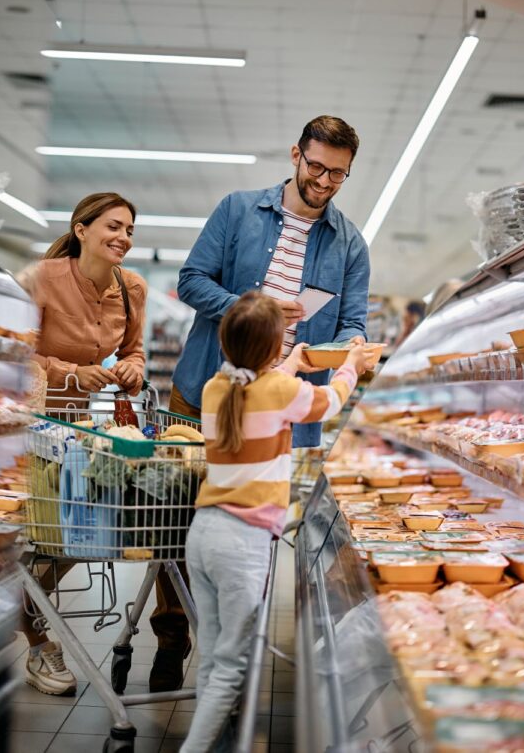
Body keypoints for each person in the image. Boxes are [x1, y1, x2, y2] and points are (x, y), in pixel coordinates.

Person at [155, 115, 371, 681]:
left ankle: (232, 654)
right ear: (295, 154)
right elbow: (193, 280)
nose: (324, 181)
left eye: (338, 175)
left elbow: (351, 323)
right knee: (176, 523)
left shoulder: (350, 243)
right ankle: (171, 635)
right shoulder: (237, 210)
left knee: (251, 529)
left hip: (284, 408)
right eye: (317, 166)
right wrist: (257, 310)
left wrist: (351, 350)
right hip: (206, 392)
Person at [180, 292, 376, 753]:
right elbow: (331, 401)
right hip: (241, 543)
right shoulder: (278, 392)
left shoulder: (216, 388)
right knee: (232, 666)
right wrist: (351, 364)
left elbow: (262, 383)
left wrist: (290, 361)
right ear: (269, 350)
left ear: (226, 344)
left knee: (212, 657)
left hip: (203, 534)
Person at [17, 192, 147, 696]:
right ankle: (38, 644)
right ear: (81, 229)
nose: (123, 237)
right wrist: (74, 371)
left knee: (65, 536)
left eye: (130, 230)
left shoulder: (131, 287)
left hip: (72, 430)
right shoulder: (42, 279)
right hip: (22, 419)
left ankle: (26, 618)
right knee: (27, 538)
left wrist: (132, 367)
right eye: (113, 226)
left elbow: (132, 350)